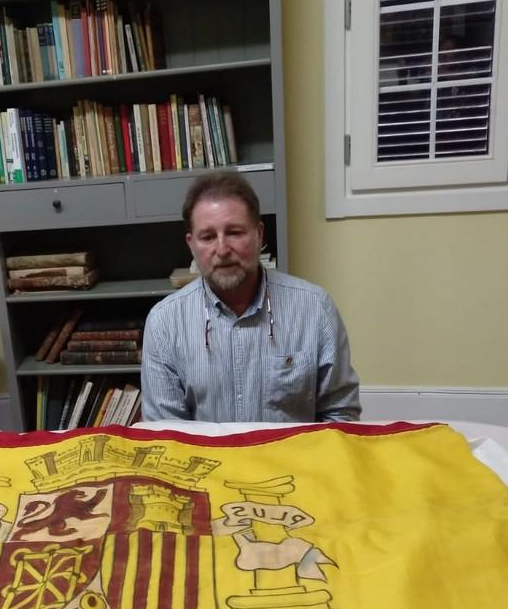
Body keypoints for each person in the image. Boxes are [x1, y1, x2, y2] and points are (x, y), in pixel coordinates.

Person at [141, 171, 360, 423]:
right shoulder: (164, 323)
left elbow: (340, 417)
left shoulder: (315, 309)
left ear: (259, 234)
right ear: (191, 244)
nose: (222, 250)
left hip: (291, 462)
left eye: (234, 232)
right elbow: (167, 434)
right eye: (208, 237)